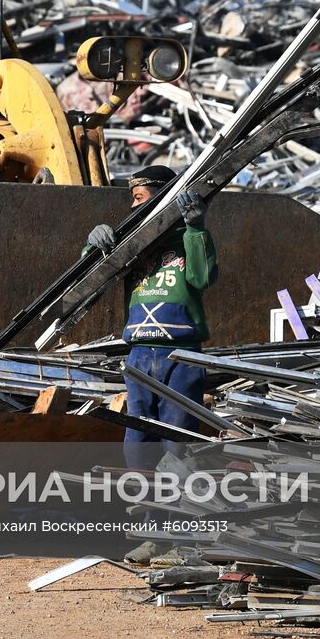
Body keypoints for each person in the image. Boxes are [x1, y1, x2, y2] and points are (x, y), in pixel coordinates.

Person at [86, 165, 218, 448]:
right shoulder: (129, 247)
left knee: (178, 440)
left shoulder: (187, 238)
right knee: (138, 438)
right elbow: (91, 281)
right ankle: (141, 491)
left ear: (162, 197)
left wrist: (196, 229)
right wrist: (92, 247)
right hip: (139, 355)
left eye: (139, 196)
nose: (133, 205)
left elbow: (203, 278)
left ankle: (179, 491)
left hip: (181, 354)